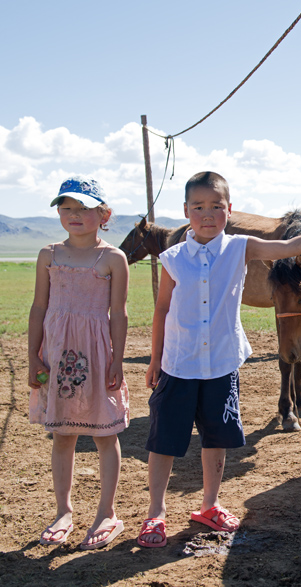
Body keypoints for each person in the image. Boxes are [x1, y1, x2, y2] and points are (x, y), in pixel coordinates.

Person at [137, 171, 301, 548]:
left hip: (222, 364)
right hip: (179, 363)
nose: (207, 214)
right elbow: (162, 310)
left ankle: (209, 505)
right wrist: (154, 360)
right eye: (198, 207)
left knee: (216, 438)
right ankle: (155, 513)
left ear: (229, 209)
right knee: (164, 441)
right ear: (186, 211)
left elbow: (290, 247)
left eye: (216, 207)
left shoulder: (239, 248)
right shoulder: (174, 258)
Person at [28, 176, 130, 549]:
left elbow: (118, 314)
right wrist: (32, 356)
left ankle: (107, 513)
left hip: (97, 352)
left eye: (84, 208)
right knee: (63, 434)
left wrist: (117, 359)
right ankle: (63, 511)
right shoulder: (48, 254)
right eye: (66, 207)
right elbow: (39, 307)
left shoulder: (113, 258)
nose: (74, 215)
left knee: (105, 434)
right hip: (56, 352)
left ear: (103, 214)